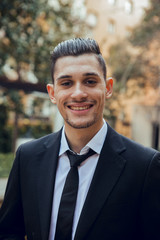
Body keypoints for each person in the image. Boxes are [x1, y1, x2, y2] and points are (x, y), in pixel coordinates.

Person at [0, 38, 160, 240]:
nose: (78, 93)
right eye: (66, 83)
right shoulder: (28, 157)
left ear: (108, 87)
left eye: (90, 81)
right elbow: (7, 232)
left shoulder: (145, 166)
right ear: (52, 92)